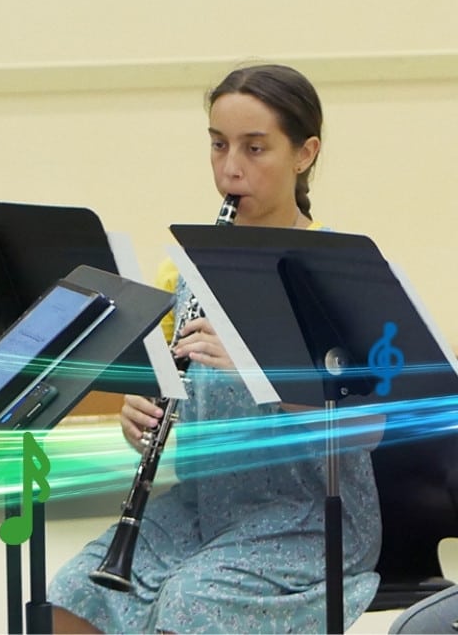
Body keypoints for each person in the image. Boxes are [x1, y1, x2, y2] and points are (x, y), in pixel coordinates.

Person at [47, 64, 381, 633]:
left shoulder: (337, 271)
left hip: (309, 521)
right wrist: (140, 415)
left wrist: (265, 370)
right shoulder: (186, 268)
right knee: (74, 592)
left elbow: (369, 426)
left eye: (255, 149)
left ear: (304, 154)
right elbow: (171, 389)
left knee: (190, 605)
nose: (231, 169)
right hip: (203, 506)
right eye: (219, 145)